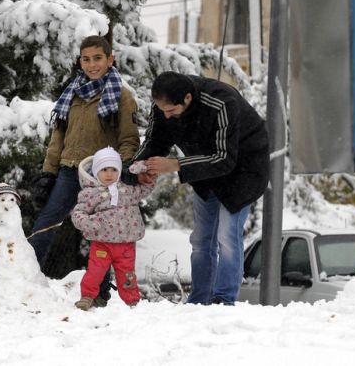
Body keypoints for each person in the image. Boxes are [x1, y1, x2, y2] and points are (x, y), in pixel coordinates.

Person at [130, 71, 269, 305]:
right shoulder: (164, 106)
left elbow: (224, 158)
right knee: (201, 240)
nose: (167, 116)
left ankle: (224, 299)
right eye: (162, 110)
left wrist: (175, 164)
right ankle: (199, 299)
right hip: (204, 173)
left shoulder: (222, 101)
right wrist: (142, 165)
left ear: (187, 98)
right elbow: (156, 140)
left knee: (227, 236)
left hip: (243, 173)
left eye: (171, 111)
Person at [30, 35, 140, 306]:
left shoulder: (122, 96)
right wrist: (48, 172)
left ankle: (99, 293)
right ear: (80, 61)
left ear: (110, 59)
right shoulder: (73, 92)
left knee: (100, 233)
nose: (92, 65)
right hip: (68, 170)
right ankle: (25, 280)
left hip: (100, 177)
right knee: (46, 222)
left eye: (97, 58)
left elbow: (129, 138)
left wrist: (123, 167)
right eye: (86, 59)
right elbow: (58, 137)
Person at [71, 147, 152, 311]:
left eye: (114, 169)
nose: (109, 174)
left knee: (127, 275)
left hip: (126, 245)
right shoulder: (90, 193)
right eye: (104, 170)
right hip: (102, 244)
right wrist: (88, 223)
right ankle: (87, 297)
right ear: (95, 172)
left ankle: (133, 302)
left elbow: (146, 188)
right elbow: (78, 212)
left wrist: (145, 170)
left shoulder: (128, 190)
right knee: (95, 272)